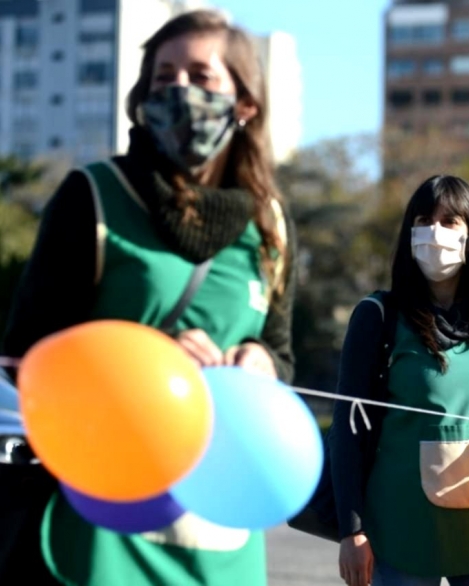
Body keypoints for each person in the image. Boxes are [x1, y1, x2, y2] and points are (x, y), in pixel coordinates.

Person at [0, 10, 295, 585]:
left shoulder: (271, 224)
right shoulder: (93, 196)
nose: (180, 89)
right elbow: (23, 356)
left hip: (221, 521)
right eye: (164, 77)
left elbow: (280, 354)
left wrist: (262, 360)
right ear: (142, 96)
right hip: (102, 515)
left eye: (201, 76)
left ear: (245, 104)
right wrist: (148, 360)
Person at [330, 176, 469, 586]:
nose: (435, 231)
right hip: (405, 536)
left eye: (450, 221)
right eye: (423, 219)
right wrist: (352, 530)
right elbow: (348, 429)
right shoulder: (378, 316)